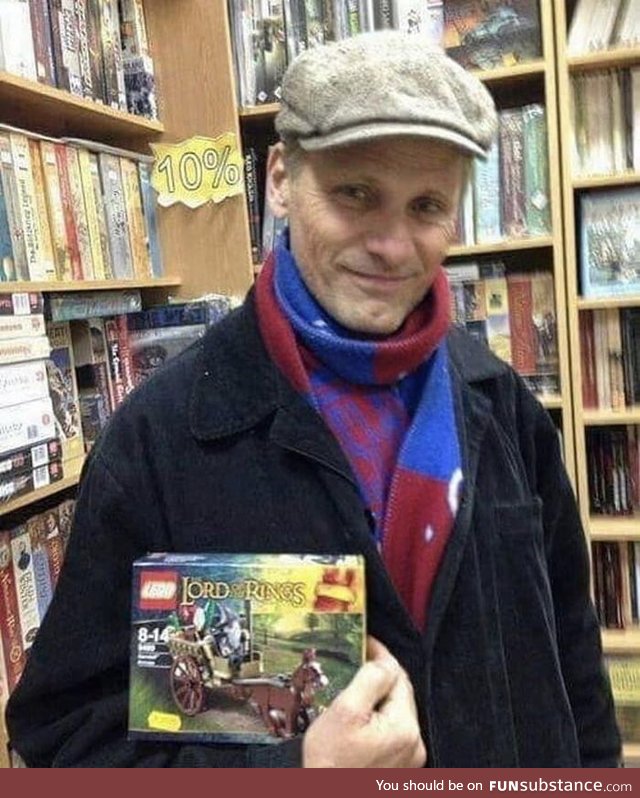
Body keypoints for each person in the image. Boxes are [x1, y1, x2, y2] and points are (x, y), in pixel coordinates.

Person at [6, 31, 620, 768]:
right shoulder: (161, 438)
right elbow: (66, 736)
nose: (392, 246)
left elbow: (574, 670)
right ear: (280, 180)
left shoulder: (504, 407)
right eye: (354, 194)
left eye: (426, 206)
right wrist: (294, 770)